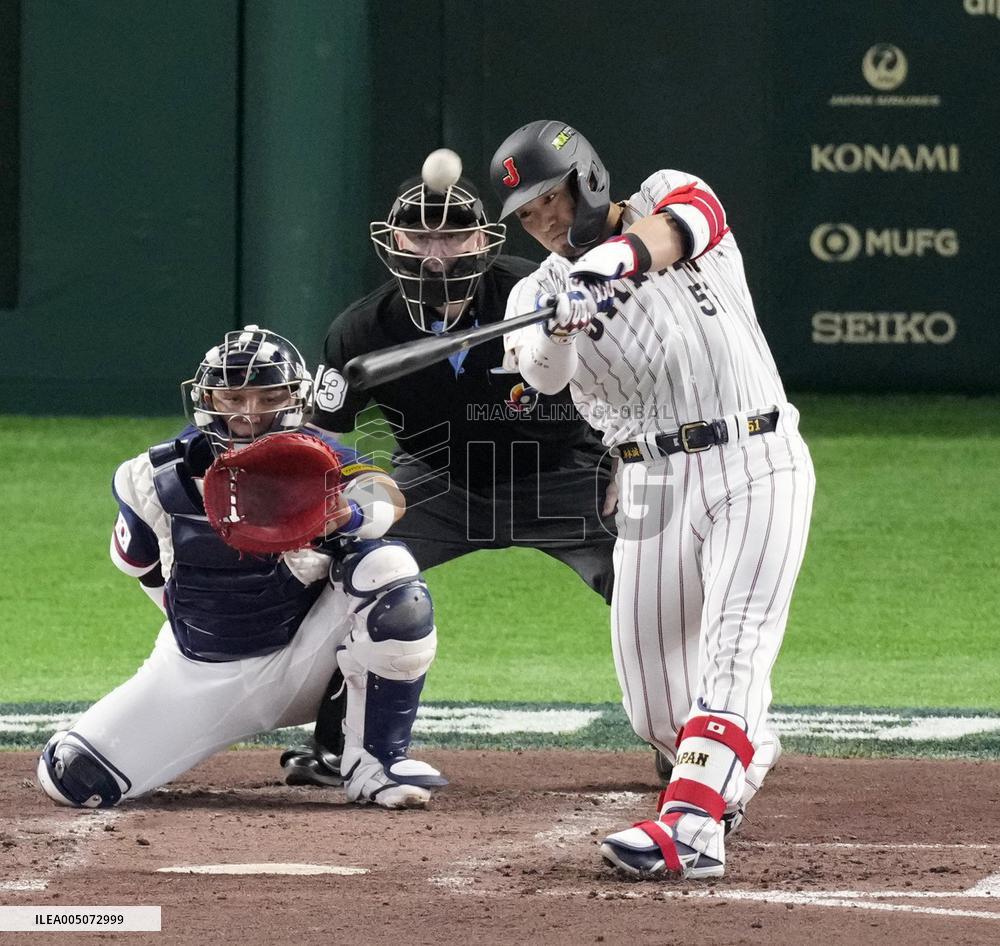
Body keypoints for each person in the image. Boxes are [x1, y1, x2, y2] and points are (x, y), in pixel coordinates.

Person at [491, 121, 815, 879]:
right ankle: (735, 755)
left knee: (734, 648)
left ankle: (694, 827)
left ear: (586, 178)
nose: (542, 220)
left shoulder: (667, 192)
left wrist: (600, 268)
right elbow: (542, 375)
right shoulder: (534, 293)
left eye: (549, 198)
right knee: (654, 706)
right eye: (526, 214)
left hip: (756, 456)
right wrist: (560, 327)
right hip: (650, 483)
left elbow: (678, 229)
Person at [279, 171, 617, 786]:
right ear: (394, 242)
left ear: (483, 239)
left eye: (454, 236)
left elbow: (626, 375)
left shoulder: (536, 292)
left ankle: (684, 736)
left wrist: (626, 460)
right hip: (435, 484)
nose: (437, 254)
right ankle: (341, 744)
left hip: (566, 475)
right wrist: (329, 507)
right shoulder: (360, 330)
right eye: (420, 237)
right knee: (347, 577)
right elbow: (319, 438)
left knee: (656, 582)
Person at [35, 325, 446, 810]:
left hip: (304, 660)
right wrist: (210, 620)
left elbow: (387, 497)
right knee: (72, 778)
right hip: (199, 672)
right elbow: (141, 567)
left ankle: (374, 762)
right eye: (233, 397)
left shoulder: (323, 459)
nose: (250, 413)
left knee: (386, 567)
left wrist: (349, 514)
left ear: (295, 398)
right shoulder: (147, 478)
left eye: (269, 397)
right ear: (207, 399)